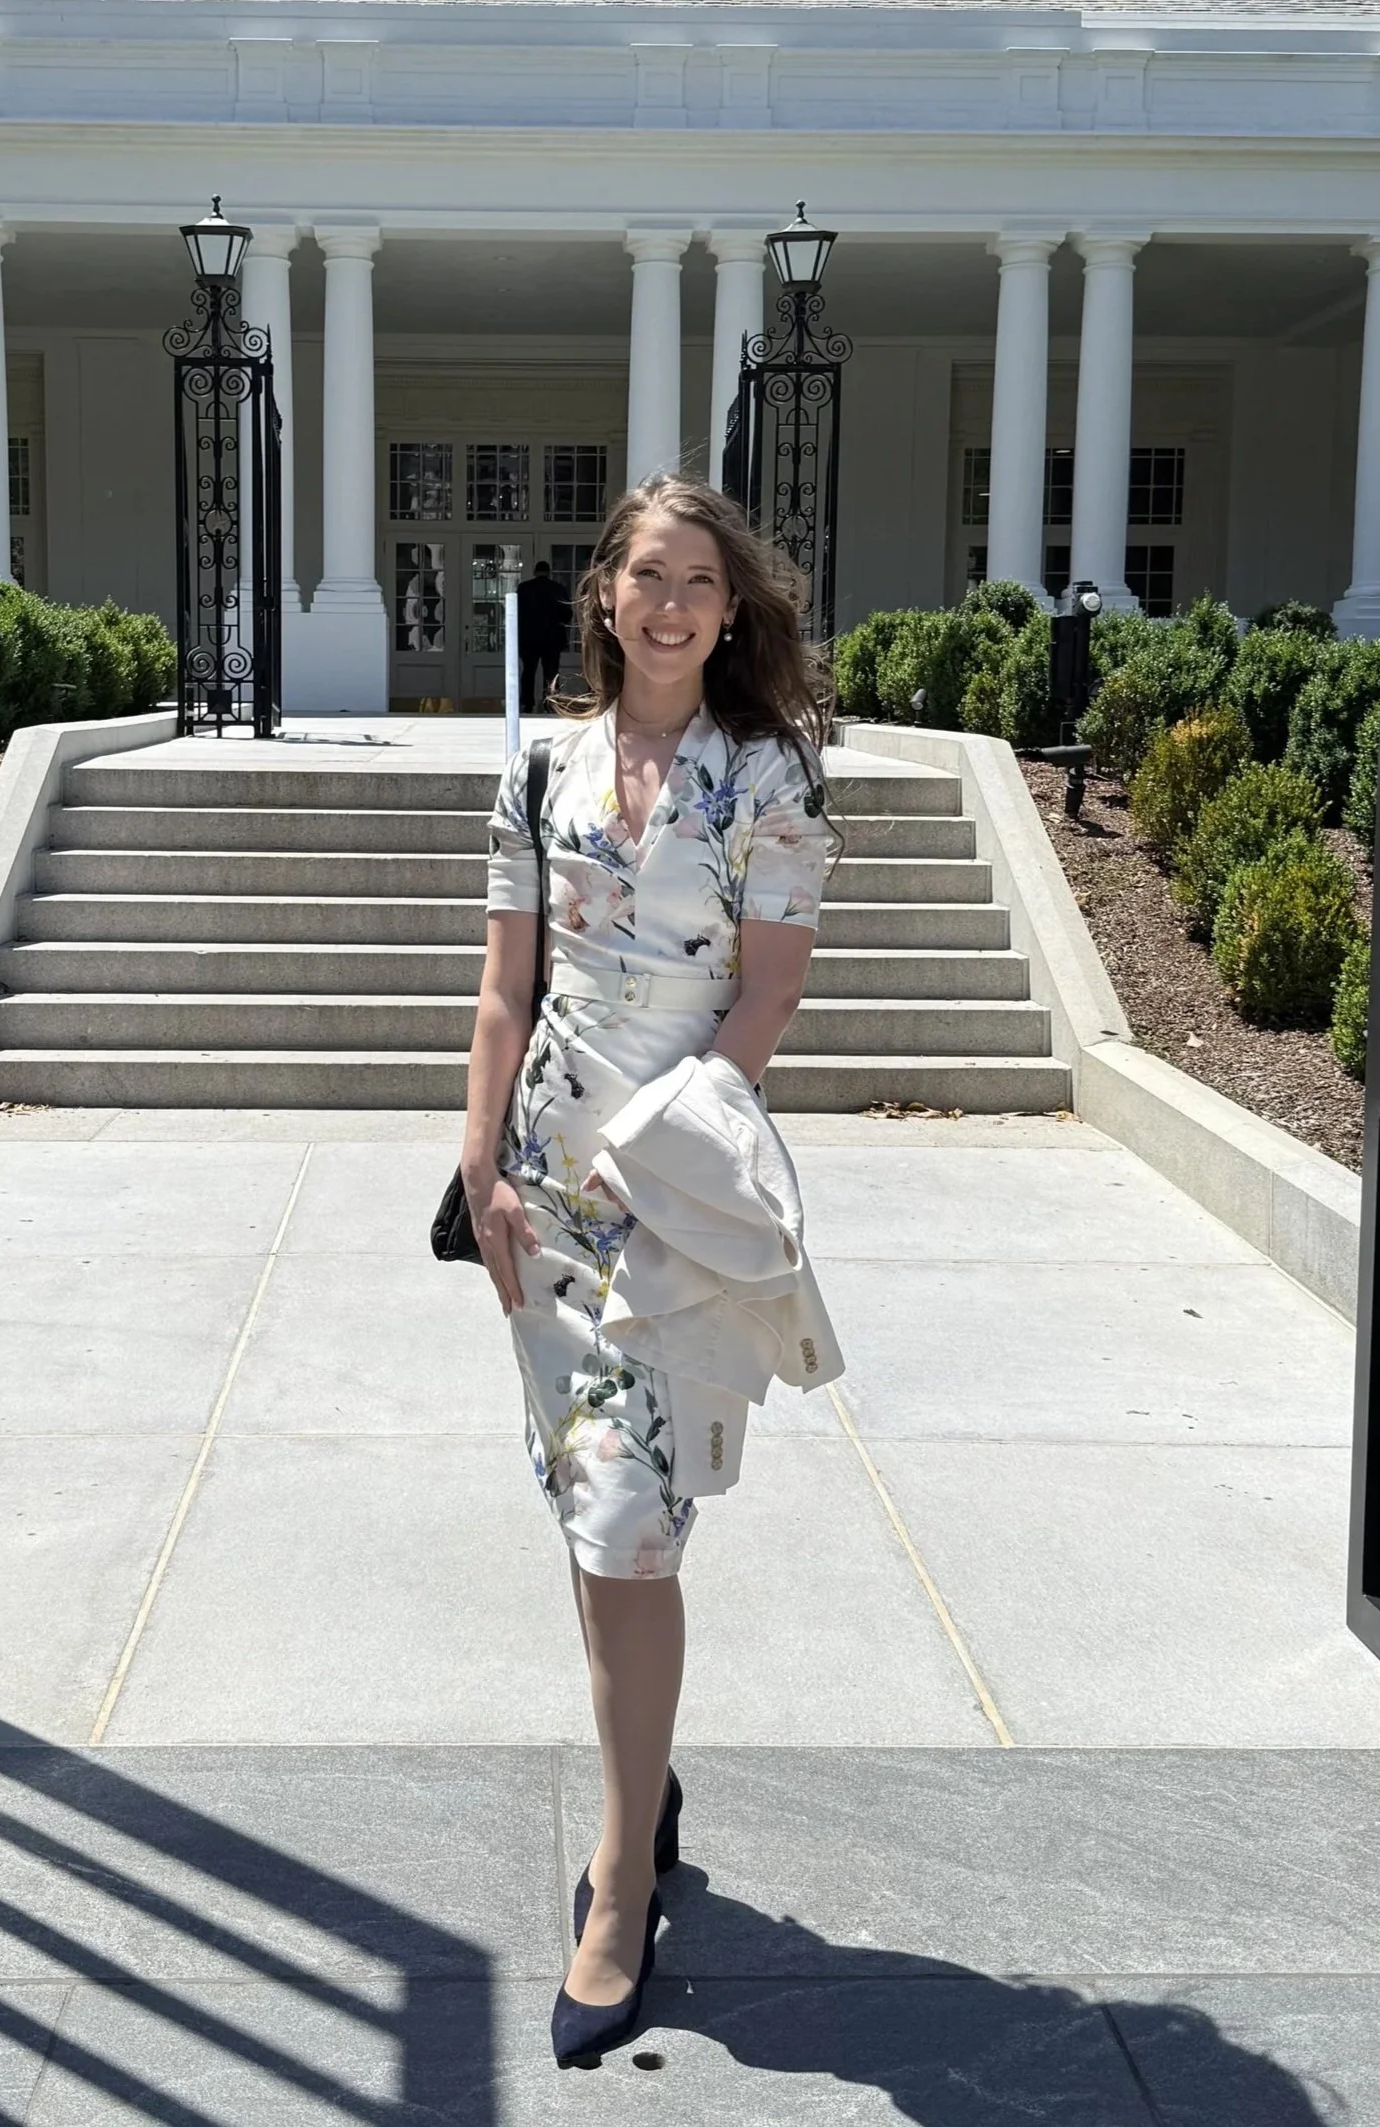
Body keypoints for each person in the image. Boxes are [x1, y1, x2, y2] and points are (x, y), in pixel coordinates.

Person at [458, 473, 836, 2068]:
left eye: (699, 579)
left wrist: (668, 1141)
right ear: (602, 598)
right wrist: (479, 1171)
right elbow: (501, 981)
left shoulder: (766, 774)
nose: (671, 602)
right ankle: (644, 1775)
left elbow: (768, 993)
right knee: (596, 1507)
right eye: (644, 575)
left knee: (627, 1526)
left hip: (667, 1201)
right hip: (542, 1201)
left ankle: (621, 1880)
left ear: (729, 606)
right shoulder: (538, 764)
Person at [514, 558, 572, 711]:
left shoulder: (524, 588)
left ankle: (527, 703)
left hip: (529, 637)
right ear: (549, 572)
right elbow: (567, 613)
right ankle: (551, 702)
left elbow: (516, 612)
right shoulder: (558, 588)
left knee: (528, 672)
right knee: (551, 672)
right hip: (552, 637)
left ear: (535, 572)